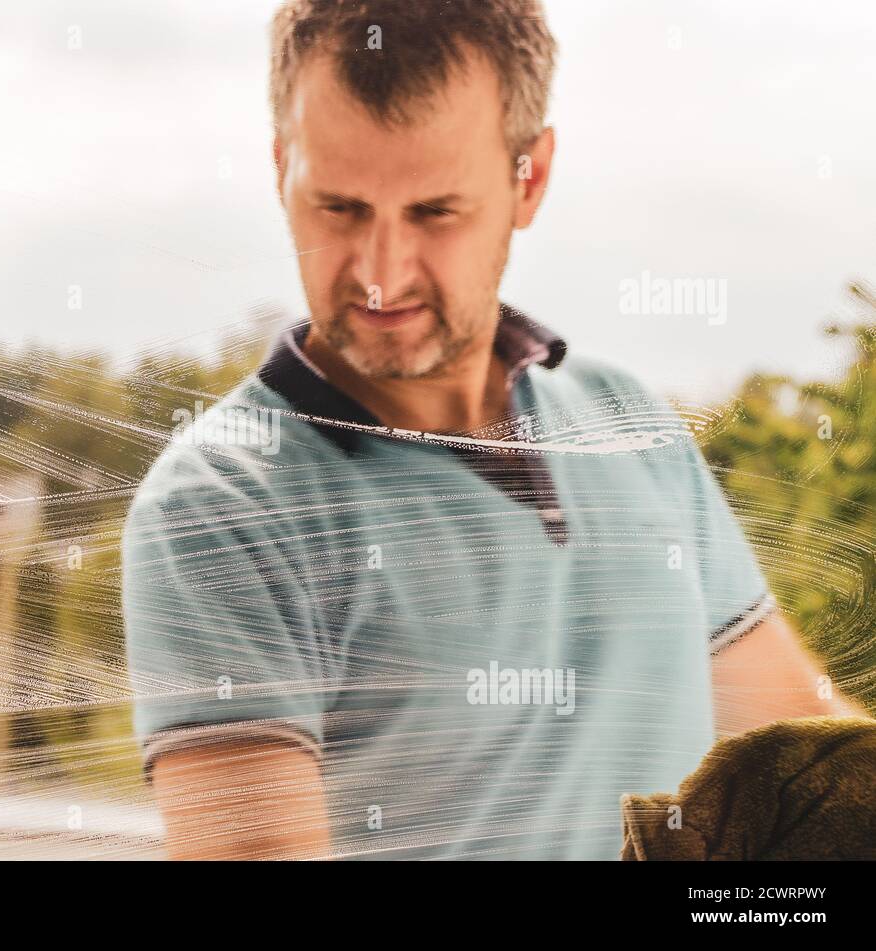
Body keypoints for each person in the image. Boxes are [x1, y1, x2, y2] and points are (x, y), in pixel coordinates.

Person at [121, 0, 866, 860]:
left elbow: (805, 757)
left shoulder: (631, 423)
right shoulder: (218, 508)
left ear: (530, 178)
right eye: (340, 207)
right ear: (282, 168)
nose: (380, 273)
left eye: (435, 211)